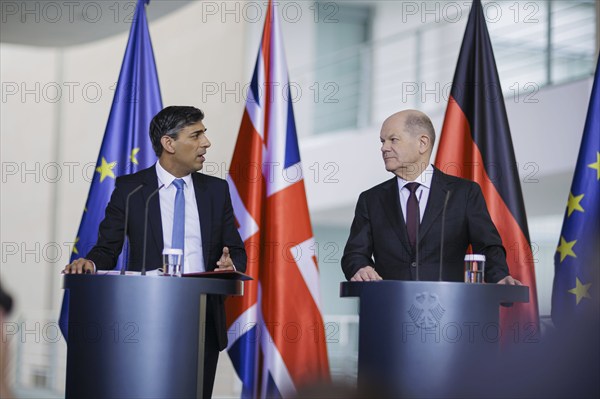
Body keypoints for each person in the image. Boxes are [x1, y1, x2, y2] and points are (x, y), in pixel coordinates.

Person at [64, 105, 247, 397]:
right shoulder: (131, 189)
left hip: (202, 320)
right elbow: (107, 248)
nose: (206, 143)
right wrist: (89, 262)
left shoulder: (216, 190)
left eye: (205, 134)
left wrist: (229, 265)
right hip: (145, 315)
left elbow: (235, 250)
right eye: (196, 135)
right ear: (169, 143)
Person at [341, 109, 520, 285]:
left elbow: (488, 247)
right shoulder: (371, 200)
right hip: (389, 308)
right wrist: (361, 268)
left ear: (422, 143)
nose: (384, 148)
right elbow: (354, 254)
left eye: (393, 140)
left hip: (448, 308)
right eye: (382, 141)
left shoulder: (464, 193)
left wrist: (499, 277)